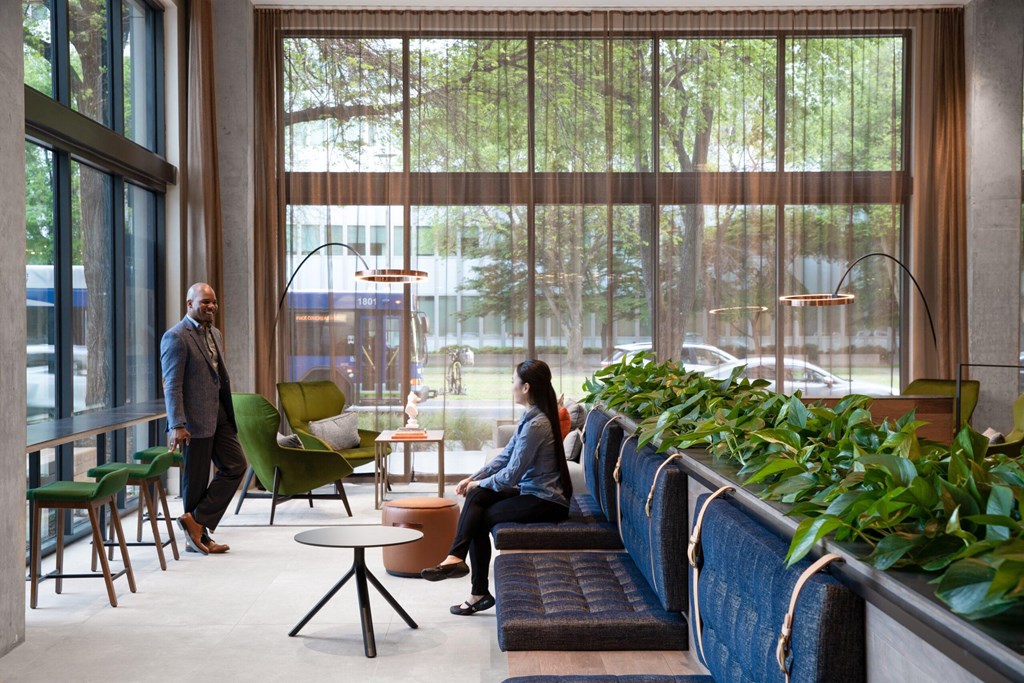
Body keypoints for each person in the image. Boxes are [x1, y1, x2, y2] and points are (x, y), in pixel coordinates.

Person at [420, 359, 572, 615]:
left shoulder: (537, 424)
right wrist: (473, 478)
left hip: (547, 501)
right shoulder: (530, 416)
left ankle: (475, 590)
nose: (511, 386)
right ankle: (456, 560)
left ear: (526, 387)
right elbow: (505, 457)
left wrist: (479, 482)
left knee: (480, 515)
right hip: (530, 491)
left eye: (513, 381)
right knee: (477, 496)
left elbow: (511, 475)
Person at [161, 282, 246, 556]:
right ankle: (197, 538)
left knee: (235, 465)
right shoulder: (176, 337)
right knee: (195, 482)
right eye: (204, 302)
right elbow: (171, 384)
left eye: (213, 302)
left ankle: (195, 522)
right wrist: (177, 424)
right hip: (193, 421)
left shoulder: (216, 334)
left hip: (219, 413)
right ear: (189, 304)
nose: (210, 306)